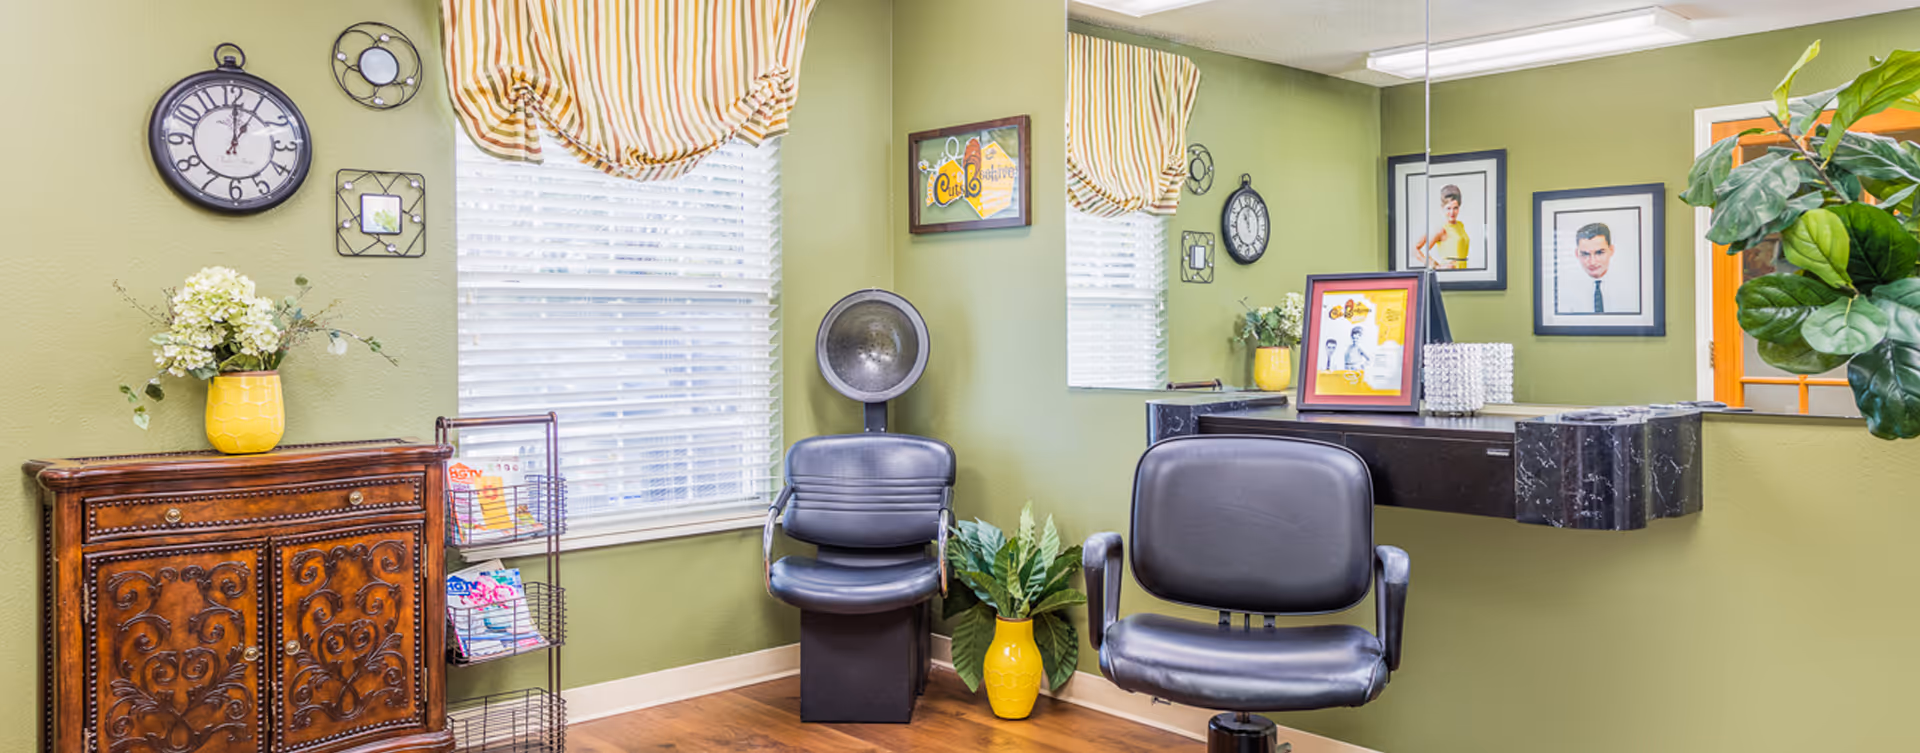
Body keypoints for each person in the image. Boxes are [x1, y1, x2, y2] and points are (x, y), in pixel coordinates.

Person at [1565, 222, 1635, 314]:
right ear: (1576, 254)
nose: (1592, 262)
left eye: (1599, 253)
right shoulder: (1566, 293)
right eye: (1585, 254)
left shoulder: (1631, 289)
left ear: (1611, 250)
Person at [1413, 184, 1469, 270]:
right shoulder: (1441, 229)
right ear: (1442, 208)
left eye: (1455, 208)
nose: (1452, 212)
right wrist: (1436, 266)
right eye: (1448, 208)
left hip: (1463, 271)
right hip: (1450, 273)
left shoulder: (1460, 225)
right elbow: (1416, 249)